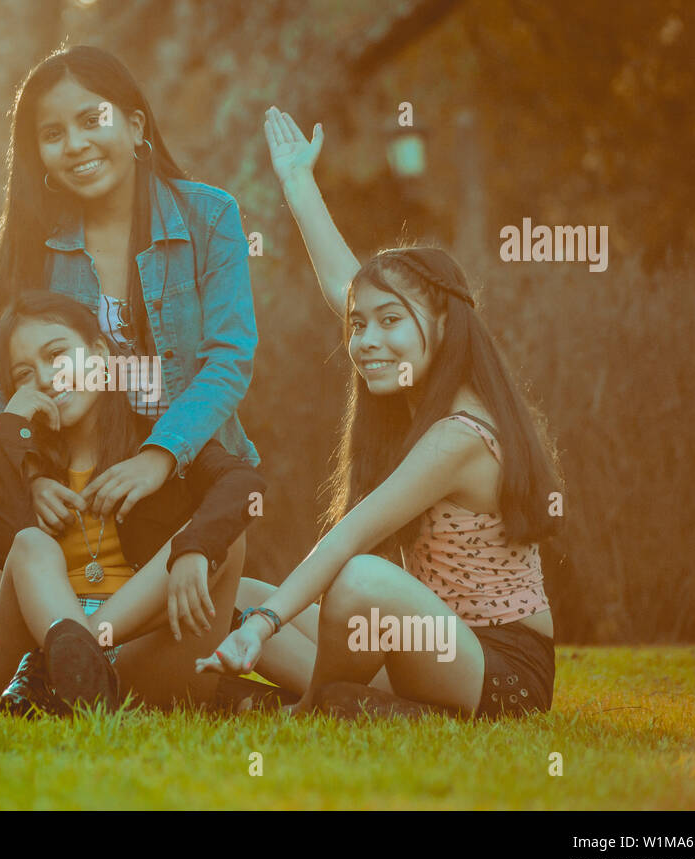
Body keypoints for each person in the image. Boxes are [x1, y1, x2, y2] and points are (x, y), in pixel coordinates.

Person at [200, 107, 562, 720]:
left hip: (499, 670)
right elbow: (349, 290)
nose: (367, 339)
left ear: (445, 325)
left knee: (360, 579)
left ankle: (314, 708)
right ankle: (351, 701)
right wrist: (298, 183)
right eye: (359, 326)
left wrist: (264, 628)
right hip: (422, 640)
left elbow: (352, 536)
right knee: (233, 596)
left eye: (391, 321)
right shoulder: (418, 391)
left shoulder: (460, 435)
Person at [0, 45, 259, 538]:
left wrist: (159, 455)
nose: (75, 144)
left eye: (91, 119)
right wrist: (29, 478)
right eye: (53, 134)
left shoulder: (210, 218)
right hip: (77, 492)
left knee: (197, 609)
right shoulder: (32, 244)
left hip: (198, 478)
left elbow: (229, 358)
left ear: (136, 127)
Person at [0, 291, 267, 714]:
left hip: (128, 650)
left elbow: (244, 484)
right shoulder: (30, 465)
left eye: (57, 354)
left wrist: (194, 548)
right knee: (30, 545)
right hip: (30, 654)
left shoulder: (156, 441)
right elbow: (7, 553)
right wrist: (10, 431)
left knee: (220, 537)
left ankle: (79, 664)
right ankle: (69, 659)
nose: (46, 378)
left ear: (101, 353)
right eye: (25, 374)